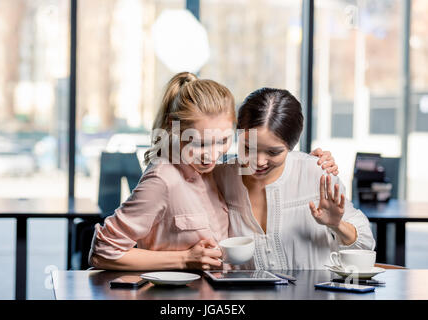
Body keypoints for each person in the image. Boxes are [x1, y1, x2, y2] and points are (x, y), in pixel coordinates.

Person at [89, 72, 338, 271]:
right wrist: (184, 259)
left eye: (222, 141)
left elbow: (268, 150)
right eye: (199, 143)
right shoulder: (162, 179)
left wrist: (311, 162)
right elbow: (102, 252)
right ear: (173, 130)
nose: (212, 154)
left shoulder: (213, 171)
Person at [213, 88, 375, 270]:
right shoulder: (220, 177)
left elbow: (365, 245)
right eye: (248, 148)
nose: (258, 161)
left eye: (273, 152)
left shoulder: (316, 174)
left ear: (292, 145)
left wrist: (336, 225)